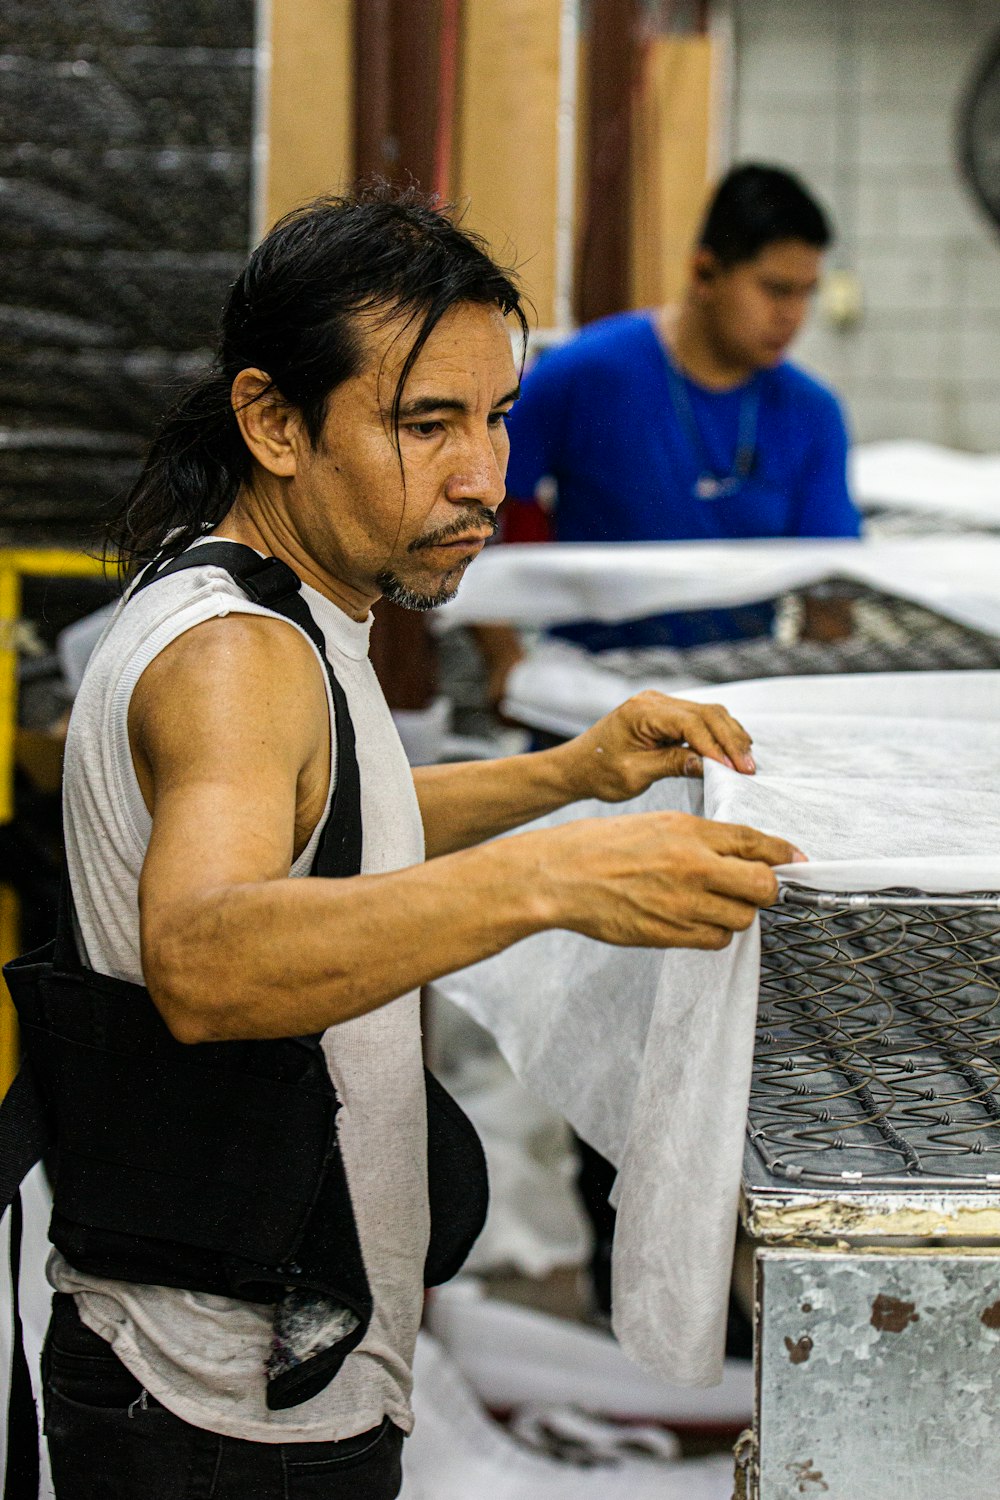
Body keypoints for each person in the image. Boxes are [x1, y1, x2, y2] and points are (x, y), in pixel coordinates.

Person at [12, 186, 803, 1500]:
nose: (483, 475)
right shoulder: (235, 659)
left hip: (256, 1368)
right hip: (212, 1414)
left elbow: (338, 828)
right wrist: (553, 877)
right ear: (274, 421)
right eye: (424, 423)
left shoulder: (283, 613)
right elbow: (206, 957)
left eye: (497, 419)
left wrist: (575, 775)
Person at [474, 162, 862, 702]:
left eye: (806, 294)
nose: (793, 316)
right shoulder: (585, 374)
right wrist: (506, 660)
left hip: (739, 698)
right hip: (592, 697)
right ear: (704, 273)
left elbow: (830, 599)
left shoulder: (813, 414)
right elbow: (471, 511)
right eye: (775, 290)